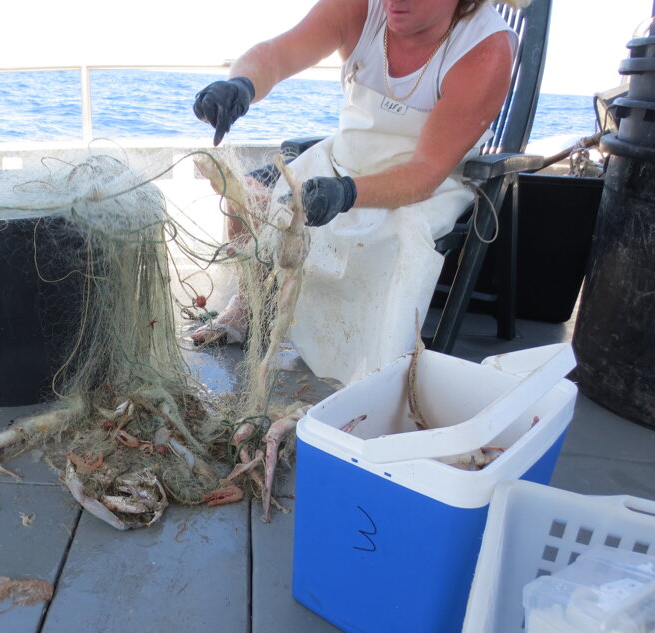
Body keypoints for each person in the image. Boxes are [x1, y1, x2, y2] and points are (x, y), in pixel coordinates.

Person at [191, 0, 524, 384]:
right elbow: (279, 54)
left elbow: (425, 172)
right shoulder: (359, 7)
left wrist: (345, 195)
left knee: (376, 244)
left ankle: (356, 368)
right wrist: (242, 85)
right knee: (246, 195)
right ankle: (248, 306)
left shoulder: (486, 48)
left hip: (422, 184)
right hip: (342, 157)